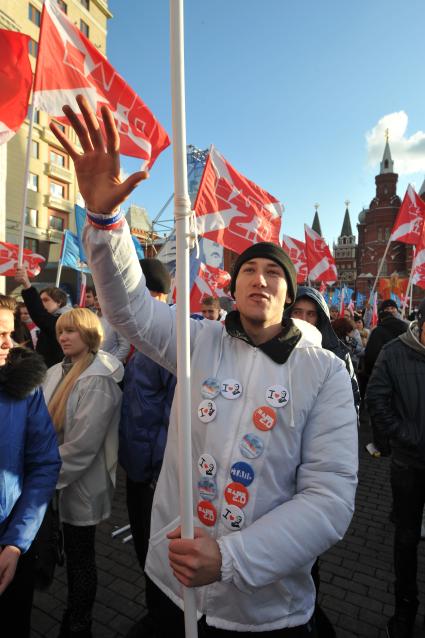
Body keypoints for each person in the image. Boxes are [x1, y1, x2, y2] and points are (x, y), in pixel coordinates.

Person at [51, 94, 358, 638]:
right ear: (232, 287)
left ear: (289, 295)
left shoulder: (326, 372)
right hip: (177, 588)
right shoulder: (199, 340)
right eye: (249, 271)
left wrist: (233, 558)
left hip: (265, 611)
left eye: (273, 273)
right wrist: (104, 220)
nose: (260, 279)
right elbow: (131, 310)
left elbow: (328, 501)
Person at [43, 308, 124, 638]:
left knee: (81, 558)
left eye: (71, 331)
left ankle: (79, 624)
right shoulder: (54, 371)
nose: (63, 337)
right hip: (55, 480)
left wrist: (40, 477)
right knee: (68, 552)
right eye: (61, 331)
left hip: (80, 485)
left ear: (89, 334)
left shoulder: (99, 378)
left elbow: (82, 447)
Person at [119, 259, 177, 638]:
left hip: (155, 473)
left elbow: (175, 414)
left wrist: (160, 470)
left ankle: (165, 620)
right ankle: (158, 614)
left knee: (158, 555)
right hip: (138, 466)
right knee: (145, 550)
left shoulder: (168, 338)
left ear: (152, 293)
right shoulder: (140, 334)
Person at [0, 294, 61, 637]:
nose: (9, 343)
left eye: (10, 332)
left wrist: (15, 543)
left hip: (9, 540)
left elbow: (44, 463)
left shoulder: (24, 386)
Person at [366, 299, 425, 638]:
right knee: (405, 540)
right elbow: (377, 398)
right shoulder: (395, 351)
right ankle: (404, 609)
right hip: (409, 464)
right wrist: (406, 436)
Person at [288, 287, 360, 410]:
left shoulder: (338, 355)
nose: (303, 319)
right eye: (297, 312)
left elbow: (350, 403)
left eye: (310, 314)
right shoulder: (271, 348)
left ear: (319, 319)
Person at [15, 266, 70, 367]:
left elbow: (39, 315)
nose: (41, 304)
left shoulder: (63, 320)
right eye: (40, 301)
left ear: (59, 302)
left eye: (45, 300)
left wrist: (27, 285)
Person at [94, 294, 130, 362]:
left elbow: (125, 347)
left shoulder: (117, 319)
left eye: (101, 298)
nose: (98, 301)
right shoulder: (91, 317)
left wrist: (113, 363)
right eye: (96, 299)